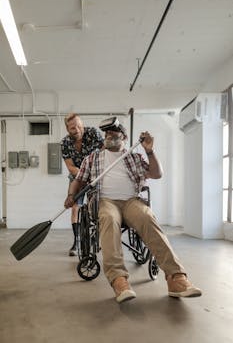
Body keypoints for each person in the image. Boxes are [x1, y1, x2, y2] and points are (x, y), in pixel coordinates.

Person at [64, 117, 202, 303]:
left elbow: (156, 174)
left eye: (114, 133)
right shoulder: (93, 158)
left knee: (146, 217)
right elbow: (78, 180)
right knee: (108, 218)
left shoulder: (133, 157)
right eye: (107, 134)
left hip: (131, 201)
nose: (109, 136)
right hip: (105, 201)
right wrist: (71, 196)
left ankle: (176, 278)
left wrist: (150, 151)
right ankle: (119, 279)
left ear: (124, 137)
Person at [61, 113, 103, 256]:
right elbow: (70, 167)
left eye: (79, 126)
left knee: (95, 207)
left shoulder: (93, 134)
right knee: (75, 207)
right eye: (73, 128)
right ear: (68, 129)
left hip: (95, 176)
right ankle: (77, 240)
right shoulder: (65, 143)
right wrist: (83, 175)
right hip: (77, 176)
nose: (77, 130)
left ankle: (94, 237)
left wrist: (93, 175)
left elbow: (105, 153)